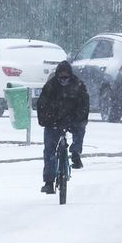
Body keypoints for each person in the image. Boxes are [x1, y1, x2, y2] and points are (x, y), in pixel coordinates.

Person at [36, 60, 90, 194]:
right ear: (57, 75)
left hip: (72, 120)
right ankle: (49, 182)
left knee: (80, 130)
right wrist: (46, 120)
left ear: (70, 75)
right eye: (61, 77)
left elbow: (84, 106)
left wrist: (78, 119)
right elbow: (42, 105)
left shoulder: (78, 86)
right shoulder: (50, 87)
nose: (63, 79)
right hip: (53, 121)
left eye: (66, 77)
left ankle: (76, 153)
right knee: (49, 150)